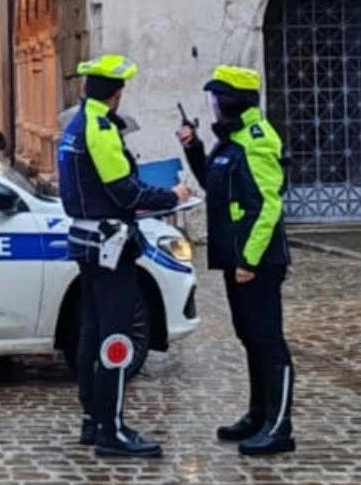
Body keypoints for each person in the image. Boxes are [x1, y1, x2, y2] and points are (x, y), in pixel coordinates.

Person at [57, 54, 192, 458]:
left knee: (92, 334)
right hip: (110, 245)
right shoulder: (100, 129)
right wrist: (174, 196)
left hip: (89, 241)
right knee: (115, 336)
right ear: (116, 95)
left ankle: (93, 419)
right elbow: (126, 192)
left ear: (86, 89)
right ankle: (112, 429)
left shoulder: (77, 125)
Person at [177, 65, 295, 456]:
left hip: (257, 260)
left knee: (268, 340)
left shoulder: (257, 140)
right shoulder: (230, 141)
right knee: (249, 337)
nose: (212, 106)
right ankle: (258, 414)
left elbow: (268, 205)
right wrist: (193, 148)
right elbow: (213, 184)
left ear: (233, 101)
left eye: (217, 99)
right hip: (234, 258)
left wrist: (250, 259)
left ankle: (279, 427)